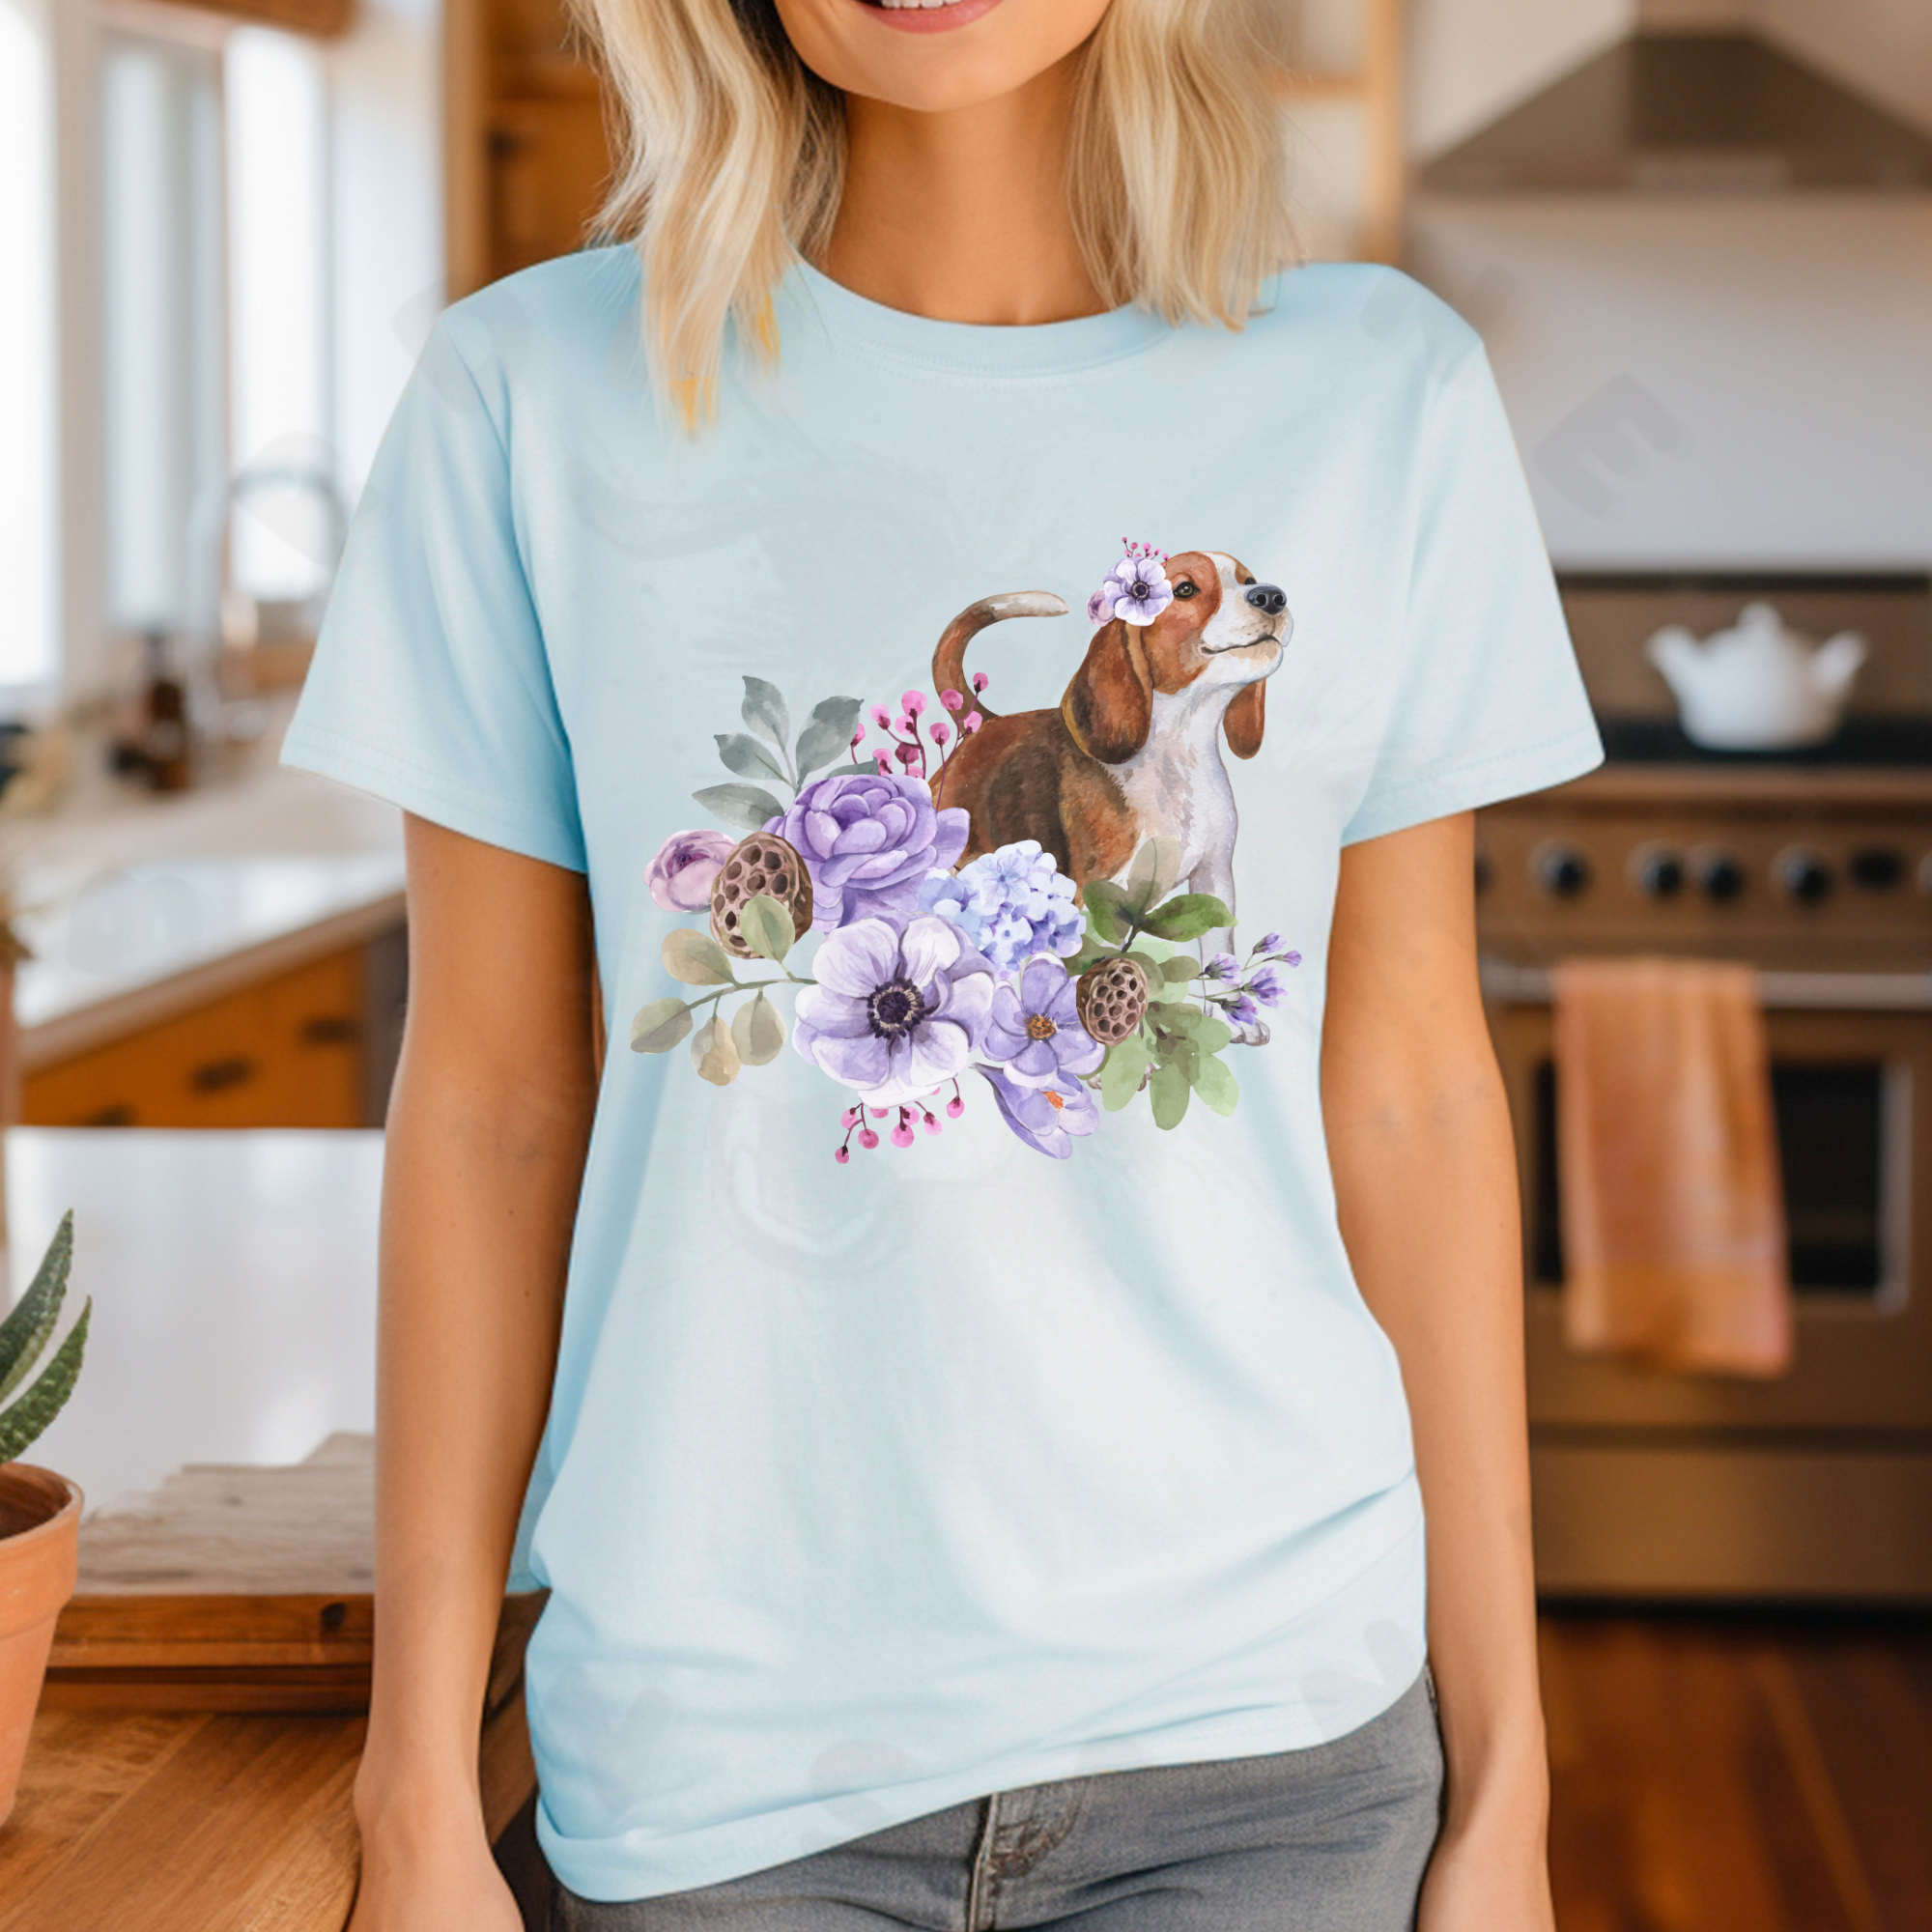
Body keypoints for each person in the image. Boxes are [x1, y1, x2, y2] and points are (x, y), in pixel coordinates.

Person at [286, 0, 1603, 1925]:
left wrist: (1514, 1781)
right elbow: (486, 1103)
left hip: (1271, 1753)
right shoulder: (524, 398)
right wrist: (414, 1789)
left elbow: (1405, 1091)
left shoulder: (1382, 396)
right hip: (719, 1769)